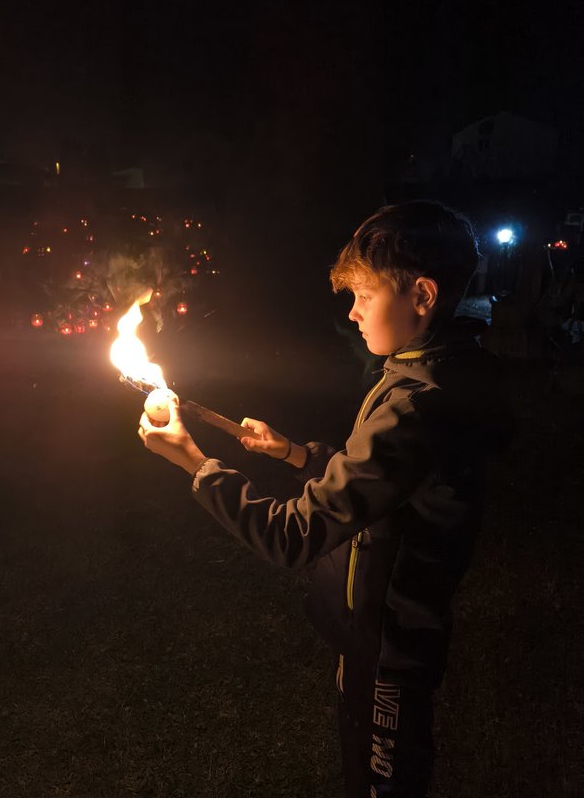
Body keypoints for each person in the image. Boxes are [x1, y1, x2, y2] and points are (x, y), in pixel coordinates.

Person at [137, 201, 512, 797]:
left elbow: (294, 537)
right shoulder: (424, 372)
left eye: (364, 295)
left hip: (389, 636)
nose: (354, 311)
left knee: (381, 781)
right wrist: (290, 453)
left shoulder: (418, 406)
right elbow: (378, 483)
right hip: (377, 623)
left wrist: (195, 464)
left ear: (422, 295)